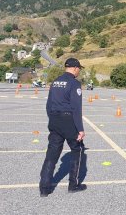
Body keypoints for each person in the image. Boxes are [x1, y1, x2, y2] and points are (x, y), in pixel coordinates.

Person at [39, 58, 86, 197]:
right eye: (79, 69)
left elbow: (48, 104)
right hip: (68, 120)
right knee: (77, 149)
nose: (79, 71)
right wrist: (80, 129)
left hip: (54, 119)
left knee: (51, 155)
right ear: (75, 68)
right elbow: (76, 108)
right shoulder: (74, 83)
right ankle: (73, 184)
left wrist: (52, 119)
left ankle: (44, 188)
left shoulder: (55, 82)